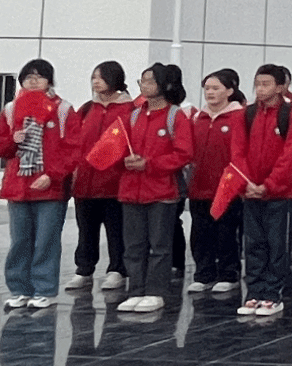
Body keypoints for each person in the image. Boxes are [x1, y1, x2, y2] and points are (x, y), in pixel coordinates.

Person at [0, 58, 77, 310]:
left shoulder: (62, 109)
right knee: (19, 241)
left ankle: (44, 290)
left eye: (40, 76)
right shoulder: (11, 109)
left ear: (50, 80)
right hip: (18, 187)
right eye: (28, 76)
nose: (34, 80)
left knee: (46, 241)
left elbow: (73, 149)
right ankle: (19, 289)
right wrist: (12, 140)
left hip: (50, 188)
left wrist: (53, 175)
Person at [115, 64, 192, 315]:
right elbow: (117, 147)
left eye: (149, 81)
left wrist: (150, 164)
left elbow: (184, 153)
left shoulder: (175, 116)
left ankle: (156, 291)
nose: (144, 86)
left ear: (164, 84)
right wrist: (124, 160)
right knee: (133, 246)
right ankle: (135, 290)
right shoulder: (133, 115)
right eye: (142, 81)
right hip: (131, 190)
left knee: (159, 245)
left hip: (162, 191)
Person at [236, 63, 292, 320]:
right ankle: (253, 291)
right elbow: (238, 152)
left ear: (280, 87)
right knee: (253, 243)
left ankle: (273, 293)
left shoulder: (291, 114)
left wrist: (269, 185)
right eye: (257, 84)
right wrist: (246, 183)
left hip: (280, 193)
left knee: (278, 244)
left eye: (266, 84)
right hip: (250, 191)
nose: (260, 89)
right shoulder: (247, 114)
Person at [65, 61, 128, 292]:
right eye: (93, 77)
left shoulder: (129, 110)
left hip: (115, 183)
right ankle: (84, 270)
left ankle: (117, 270)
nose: (96, 82)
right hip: (85, 182)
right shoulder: (86, 109)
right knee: (86, 231)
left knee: (116, 231)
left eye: (101, 77)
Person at [186, 69, 248, 299]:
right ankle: (203, 274)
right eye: (207, 88)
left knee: (226, 233)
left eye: (216, 88)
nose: (210, 93)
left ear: (230, 91)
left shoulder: (240, 117)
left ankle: (228, 275)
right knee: (200, 233)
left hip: (227, 188)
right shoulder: (198, 118)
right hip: (199, 186)